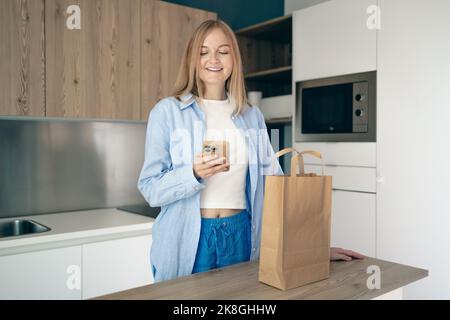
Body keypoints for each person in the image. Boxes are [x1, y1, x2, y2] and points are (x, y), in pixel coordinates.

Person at [137, 19, 364, 283]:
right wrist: (193, 173)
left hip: (241, 234)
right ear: (192, 58)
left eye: (223, 51)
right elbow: (150, 187)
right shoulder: (167, 112)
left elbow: (275, 187)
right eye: (203, 51)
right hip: (189, 238)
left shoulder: (250, 115)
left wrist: (310, 247)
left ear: (234, 58)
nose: (214, 59)